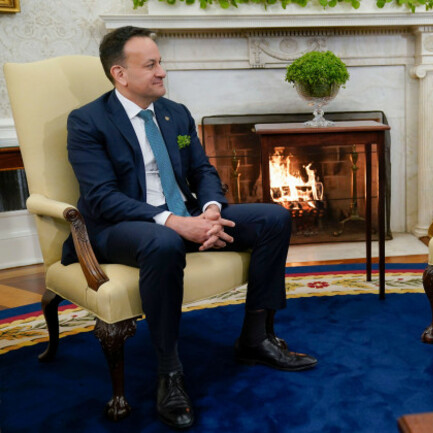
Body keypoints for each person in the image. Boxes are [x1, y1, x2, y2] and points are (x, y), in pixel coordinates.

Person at [62, 26, 317, 429]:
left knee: (274, 217)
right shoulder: (88, 121)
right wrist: (177, 222)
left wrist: (211, 211)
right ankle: (169, 373)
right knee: (164, 242)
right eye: (151, 65)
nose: (163, 71)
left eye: (161, 61)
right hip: (120, 226)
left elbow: (201, 170)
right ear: (120, 74)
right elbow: (101, 198)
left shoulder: (174, 113)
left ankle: (255, 338)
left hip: (183, 215)